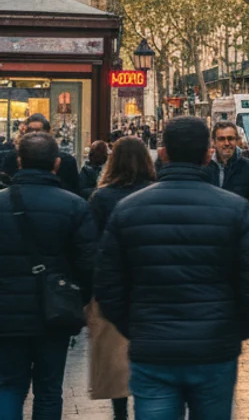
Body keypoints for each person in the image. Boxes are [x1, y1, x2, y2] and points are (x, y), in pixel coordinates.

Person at [94, 116, 249, 420]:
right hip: (214, 348)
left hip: (153, 349)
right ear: (207, 154)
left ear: (163, 154)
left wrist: (134, 328)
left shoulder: (128, 210)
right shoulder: (236, 210)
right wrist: (236, 330)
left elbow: (107, 283)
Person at [0, 132, 97, 420]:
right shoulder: (74, 205)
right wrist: (80, 299)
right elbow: (89, 264)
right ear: (56, 163)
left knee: (8, 384)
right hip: (54, 313)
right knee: (49, 389)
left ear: (19, 162)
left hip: (6, 313)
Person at [87, 137, 155, 420]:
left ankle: (120, 413)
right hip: (149, 284)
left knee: (116, 359)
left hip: (114, 285)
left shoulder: (101, 197)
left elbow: (92, 245)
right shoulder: (155, 193)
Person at [205, 120, 249, 222]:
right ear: (214, 141)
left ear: (236, 140)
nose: (227, 143)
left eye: (230, 138)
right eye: (221, 139)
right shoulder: (204, 168)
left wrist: (247, 220)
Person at [0, 114, 83, 196]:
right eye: (30, 130)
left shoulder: (66, 160)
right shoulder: (12, 157)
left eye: (38, 130)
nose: (34, 134)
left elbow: (74, 189)